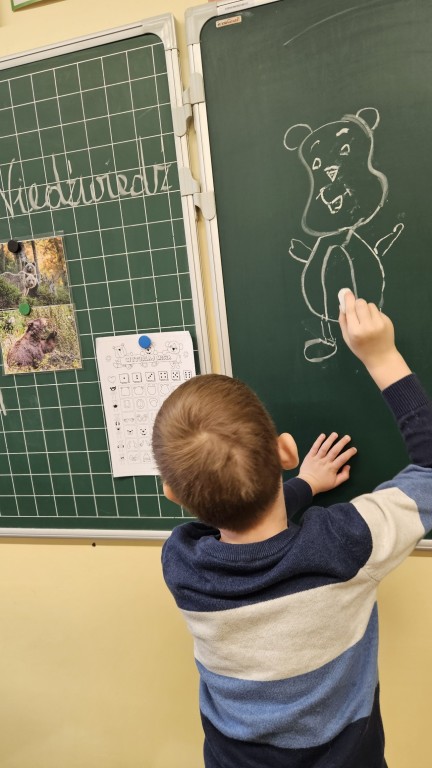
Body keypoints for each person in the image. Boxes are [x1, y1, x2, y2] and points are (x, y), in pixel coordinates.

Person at [152, 291, 432, 768]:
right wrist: (382, 356)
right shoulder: (347, 545)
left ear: (173, 494)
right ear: (285, 451)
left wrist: (303, 486)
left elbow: (234, 519)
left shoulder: (182, 564)